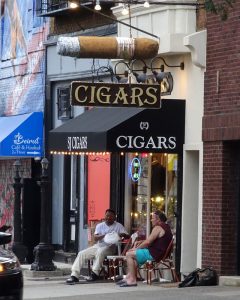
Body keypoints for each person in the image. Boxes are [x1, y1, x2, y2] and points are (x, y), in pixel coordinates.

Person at [66, 208, 129, 284]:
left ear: (114, 217)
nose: (109, 218)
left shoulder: (118, 226)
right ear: (104, 216)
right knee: (81, 253)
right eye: (107, 216)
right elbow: (95, 238)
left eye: (111, 216)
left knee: (100, 252)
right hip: (98, 245)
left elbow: (127, 236)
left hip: (111, 247)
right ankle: (74, 275)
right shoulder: (100, 225)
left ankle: (94, 273)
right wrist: (105, 235)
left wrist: (121, 234)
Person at [117, 210, 173, 287]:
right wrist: (141, 242)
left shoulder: (158, 227)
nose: (151, 220)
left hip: (155, 254)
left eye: (153, 218)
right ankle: (129, 277)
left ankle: (132, 280)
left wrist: (136, 249)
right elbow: (154, 240)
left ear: (158, 219)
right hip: (160, 253)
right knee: (134, 257)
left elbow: (148, 242)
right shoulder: (166, 227)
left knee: (129, 254)